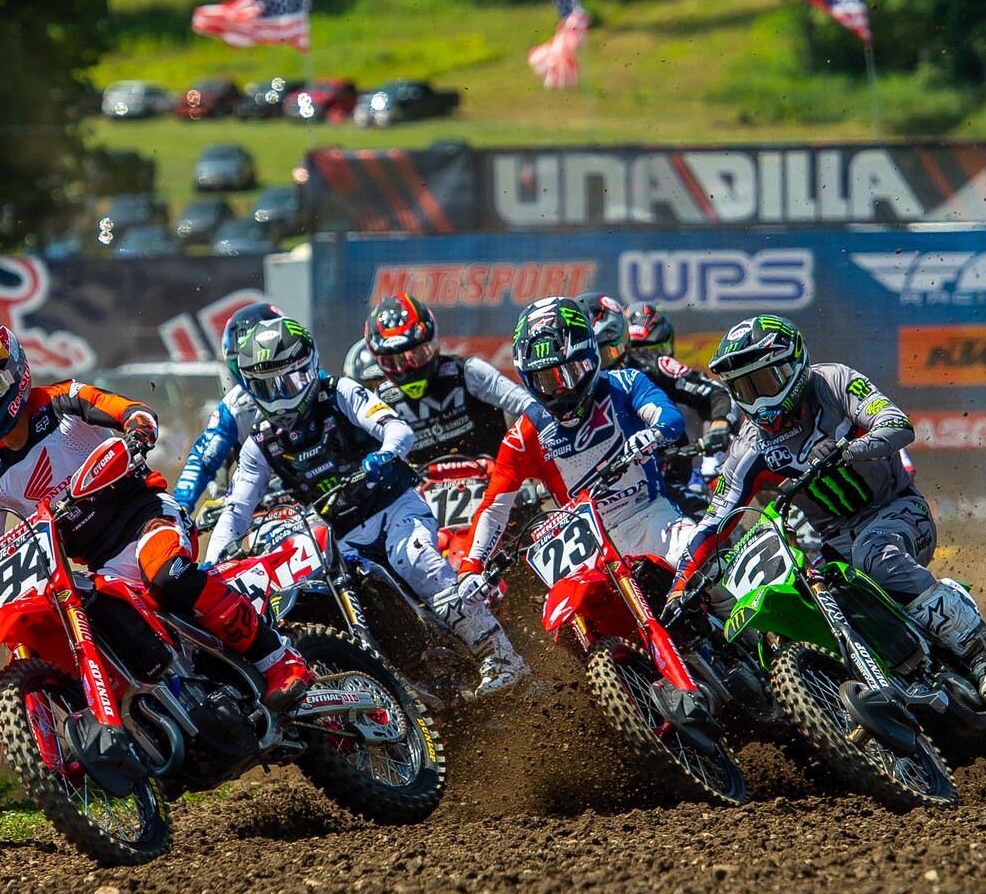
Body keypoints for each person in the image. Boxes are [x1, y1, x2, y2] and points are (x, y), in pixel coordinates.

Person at [0, 318, 313, 705]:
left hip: (148, 519)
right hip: (98, 567)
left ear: (16, 374)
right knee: (93, 630)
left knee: (166, 576)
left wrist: (137, 433)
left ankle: (280, 660)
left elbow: (132, 411)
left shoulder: (64, 401)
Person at [204, 315, 528, 694]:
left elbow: (396, 428)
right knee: (328, 594)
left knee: (415, 560)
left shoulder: (338, 392)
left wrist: (386, 454)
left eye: (290, 380)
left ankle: (501, 654)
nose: (281, 394)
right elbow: (236, 509)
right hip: (338, 535)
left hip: (393, 506)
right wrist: (212, 564)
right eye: (267, 386)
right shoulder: (259, 443)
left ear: (308, 368)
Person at [676, 315, 986, 670]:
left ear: (792, 366)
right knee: (813, 608)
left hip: (897, 511)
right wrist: (679, 586)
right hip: (835, 545)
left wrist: (845, 451)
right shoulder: (749, 446)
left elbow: (897, 425)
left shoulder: (834, 381)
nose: (757, 399)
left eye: (764, 382)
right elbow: (712, 522)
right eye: (744, 389)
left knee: (873, 553)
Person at [457, 298, 696, 604]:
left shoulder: (625, 384)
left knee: (699, 555)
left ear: (589, 356)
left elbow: (670, 418)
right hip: (587, 550)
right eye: (545, 380)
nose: (560, 390)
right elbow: (493, 508)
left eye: (568, 373)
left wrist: (652, 434)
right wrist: (470, 567)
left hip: (648, 517)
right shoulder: (524, 435)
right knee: (559, 612)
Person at [360, 293, 536, 468]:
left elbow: (526, 404)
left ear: (433, 342)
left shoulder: (468, 370)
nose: (407, 369)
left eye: (417, 355)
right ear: (378, 361)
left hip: (496, 480)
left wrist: (526, 465)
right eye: (393, 362)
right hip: (420, 493)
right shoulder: (381, 398)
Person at [169, 302, 280, 512]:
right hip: (262, 507)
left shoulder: (316, 383)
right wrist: (181, 508)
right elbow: (203, 458)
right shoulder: (235, 405)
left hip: (322, 498)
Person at [620, 301, 733, 507]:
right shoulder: (600, 381)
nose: (643, 357)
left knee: (705, 525)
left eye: (653, 350)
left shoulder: (658, 367)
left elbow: (715, 393)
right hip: (616, 488)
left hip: (671, 480)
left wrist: (717, 428)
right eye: (635, 349)